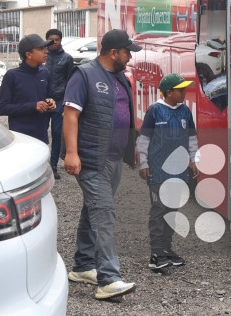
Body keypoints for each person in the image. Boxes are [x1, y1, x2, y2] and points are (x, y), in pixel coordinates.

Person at [63, 29, 141, 300]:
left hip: (115, 157)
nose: (130, 56)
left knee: (93, 209)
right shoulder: (84, 75)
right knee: (104, 213)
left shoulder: (121, 78)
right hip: (91, 157)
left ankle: (83, 266)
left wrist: (132, 149)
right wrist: (71, 153)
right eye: (127, 52)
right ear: (113, 52)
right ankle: (108, 279)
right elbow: (70, 114)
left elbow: (126, 116)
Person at [137, 73, 197, 271]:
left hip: (178, 172)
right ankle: (156, 253)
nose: (184, 93)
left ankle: (166, 249)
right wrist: (143, 164)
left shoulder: (185, 111)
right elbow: (144, 140)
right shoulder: (155, 111)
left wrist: (194, 160)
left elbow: (192, 138)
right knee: (159, 210)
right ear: (169, 92)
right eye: (181, 90)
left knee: (172, 210)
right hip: (157, 171)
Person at [0, 34, 56, 142]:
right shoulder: (12, 76)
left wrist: (51, 102)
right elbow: (2, 108)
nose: (46, 51)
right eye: (41, 49)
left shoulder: (45, 72)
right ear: (28, 54)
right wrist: (33, 106)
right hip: (21, 138)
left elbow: (49, 96)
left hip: (41, 136)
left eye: (45, 48)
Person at [44, 29, 74, 179]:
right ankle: (40, 165)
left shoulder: (67, 58)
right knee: (42, 134)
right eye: (51, 39)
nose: (54, 42)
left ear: (61, 40)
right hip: (42, 101)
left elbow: (71, 81)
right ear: (47, 41)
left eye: (57, 39)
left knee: (56, 134)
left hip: (60, 101)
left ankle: (53, 165)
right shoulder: (42, 57)